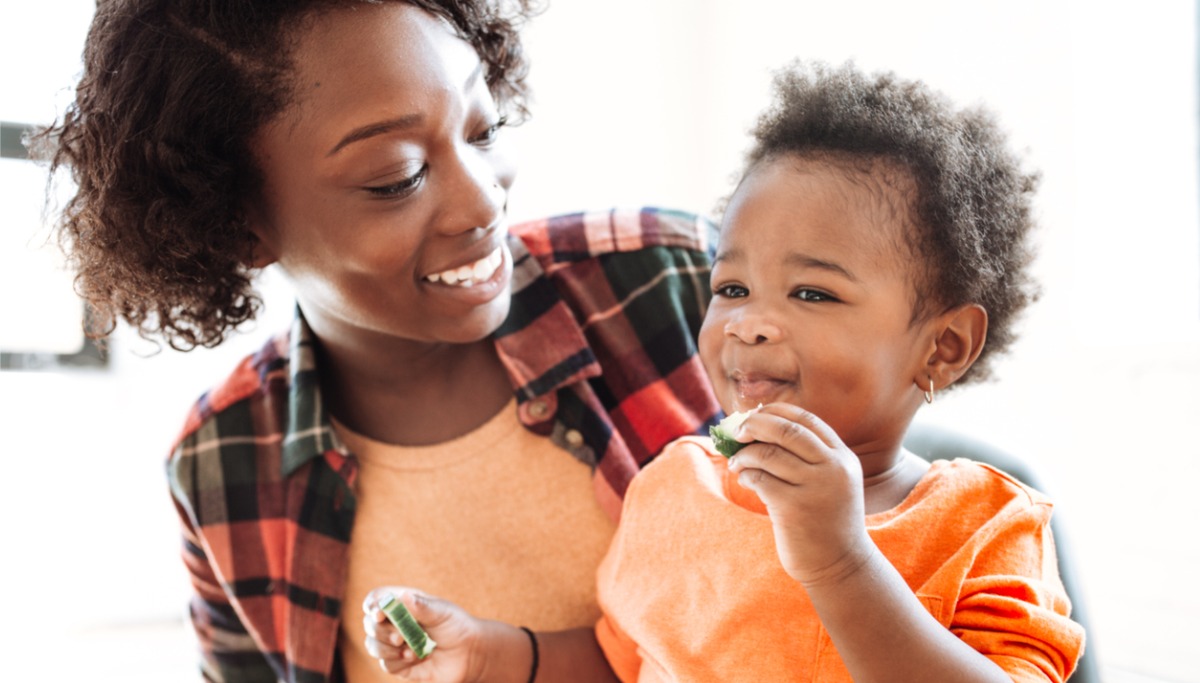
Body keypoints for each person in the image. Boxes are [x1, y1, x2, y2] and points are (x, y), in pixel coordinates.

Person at [36, 1, 722, 681]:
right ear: (240, 227)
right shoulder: (221, 463)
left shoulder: (686, 283)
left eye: (483, 129)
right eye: (399, 177)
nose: (484, 201)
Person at [361, 61, 1086, 682]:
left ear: (945, 347)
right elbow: (625, 655)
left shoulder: (985, 523)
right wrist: (491, 652)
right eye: (731, 288)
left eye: (812, 292)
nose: (747, 321)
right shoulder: (677, 486)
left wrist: (839, 562)